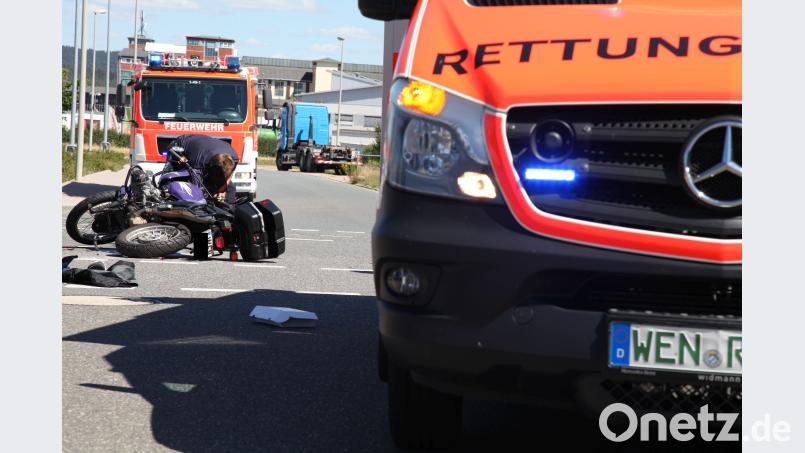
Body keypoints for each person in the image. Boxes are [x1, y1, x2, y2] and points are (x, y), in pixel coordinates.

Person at [166, 134, 239, 203]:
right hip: (180, 145)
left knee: (230, 189)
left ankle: (229, 212)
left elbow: (231, 173)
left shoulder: (234, 158)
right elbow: (197, 185)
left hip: (206, 147)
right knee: (187, 185)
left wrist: (222, 190)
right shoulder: (199, 162)